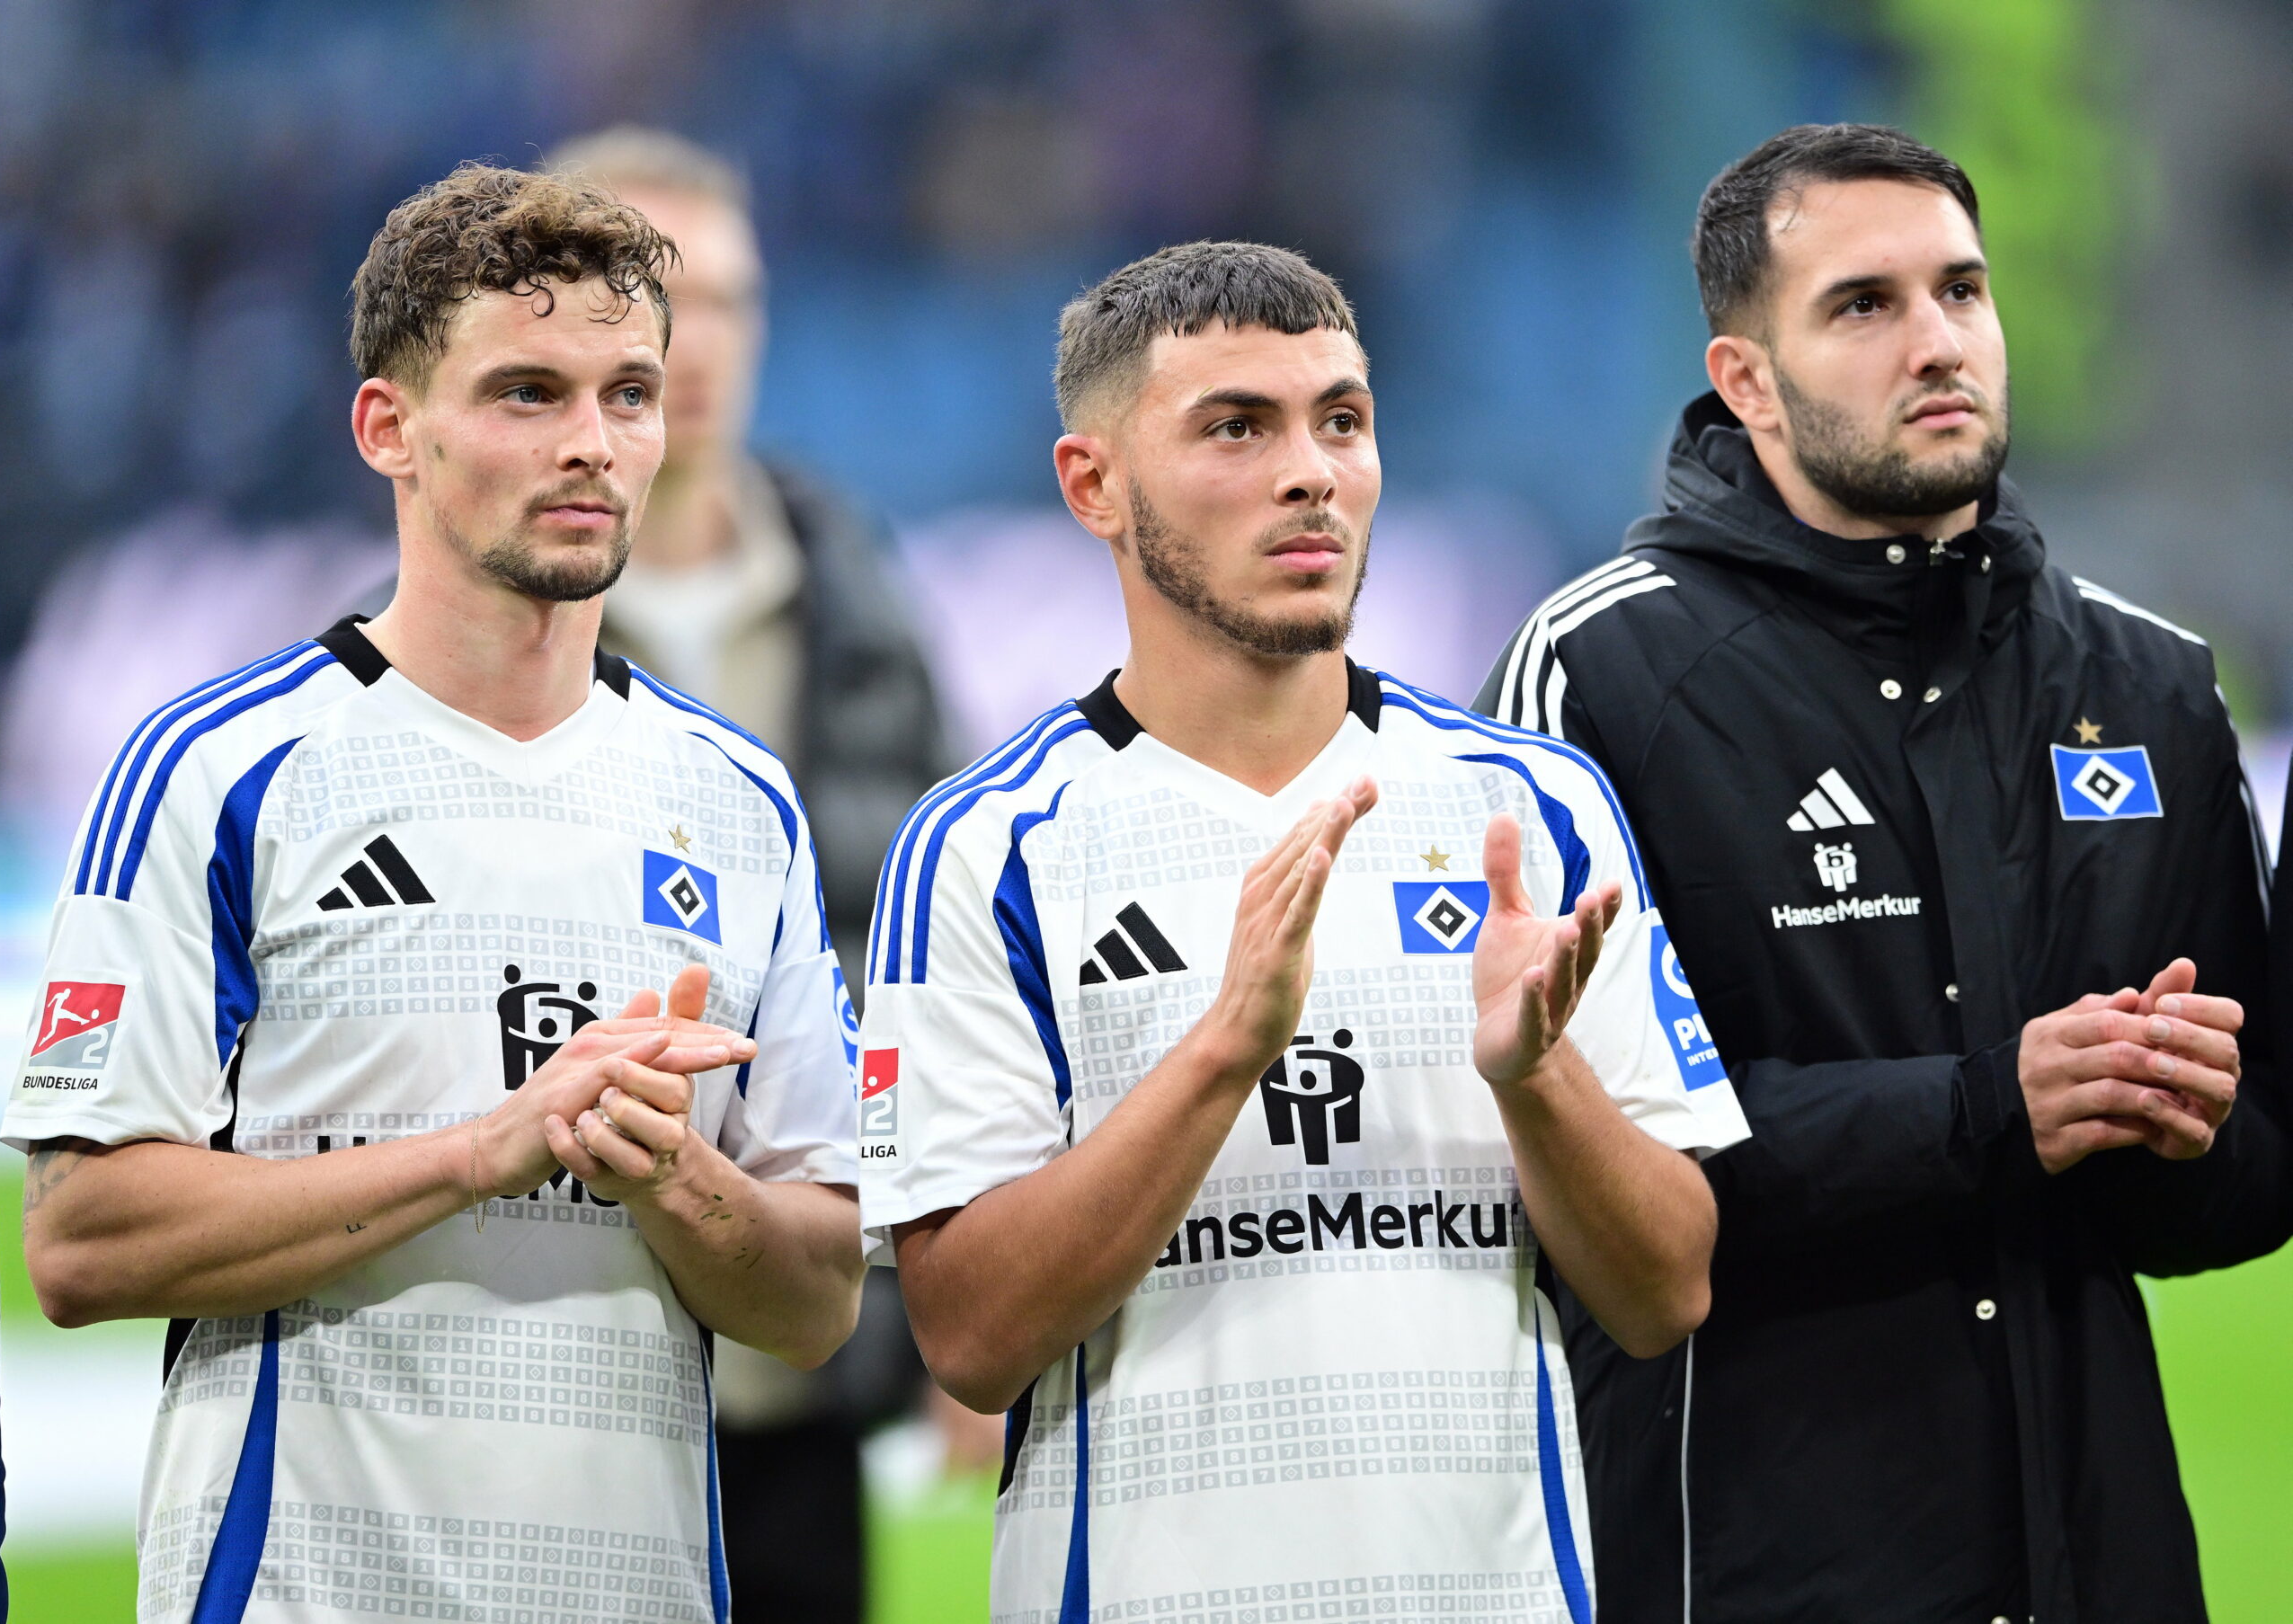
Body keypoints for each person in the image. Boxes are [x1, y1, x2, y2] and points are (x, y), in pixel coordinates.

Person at [4, 163, 865, 1624]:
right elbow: (81, 1245)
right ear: (388, 428)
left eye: (629, 394)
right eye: (528, 393)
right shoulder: (219, 772)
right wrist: (484, 1150)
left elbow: (819, 1302)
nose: (593, 444)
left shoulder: (740, 803)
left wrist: (675, 1179)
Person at [860, 241, 1750, 1622]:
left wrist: (1538, 1078)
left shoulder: (1531, 807)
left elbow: (1666, 1290)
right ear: (1092, 486)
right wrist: (1222, 1051)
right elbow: (970, 1338)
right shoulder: (991, 848)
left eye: (1342, 419)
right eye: (1237, 427)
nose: (1312, 472)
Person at [1478, 123, 2291, 1623]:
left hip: (2100, 1573)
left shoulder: (2156, 685)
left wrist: (2186, 1129)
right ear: (1746, 381)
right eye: (1864, 305)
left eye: (1962, 293)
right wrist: (1991, 1105)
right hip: (1756, 1570)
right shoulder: (1599, 672)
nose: (1938, 342)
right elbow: (1580, 1174)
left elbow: (2247, 1198)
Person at [542, 126, 969, 1622]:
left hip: (797, 1367)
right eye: (641, 293)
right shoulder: (433, 638)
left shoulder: (858, 596)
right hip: (543, 1365)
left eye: (725, 298)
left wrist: (945, 1313)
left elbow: (936, 970)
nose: (690, 338)